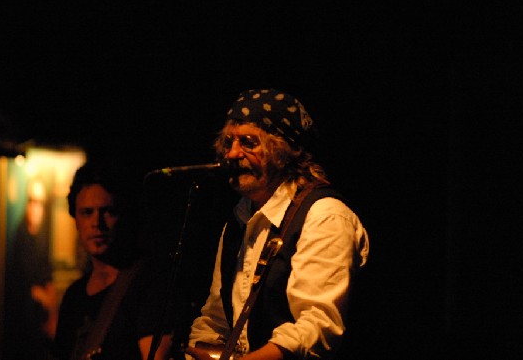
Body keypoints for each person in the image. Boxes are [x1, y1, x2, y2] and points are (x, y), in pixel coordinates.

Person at [185, 88, 370, 360]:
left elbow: (318, 327)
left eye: (248, 142)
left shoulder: (325, 216)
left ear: (282, 149)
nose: (232, 154)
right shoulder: (239, 219)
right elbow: (216, 318)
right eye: (228, 142)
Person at [49, 160, 174, 360]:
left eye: (108, 211)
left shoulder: (147, 283)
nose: (96, 223)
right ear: (76, 219)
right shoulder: (74, 296)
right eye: (87, 212)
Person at [4, 178, 58, 360]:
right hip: (23, 326)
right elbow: (18, 283)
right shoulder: (20, 238)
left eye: (40, 203)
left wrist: (52, 311)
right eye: (32, 202)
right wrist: (39, 295)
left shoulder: (42, 238)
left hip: (40, 325)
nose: (36, 209)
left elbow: (47, 275)